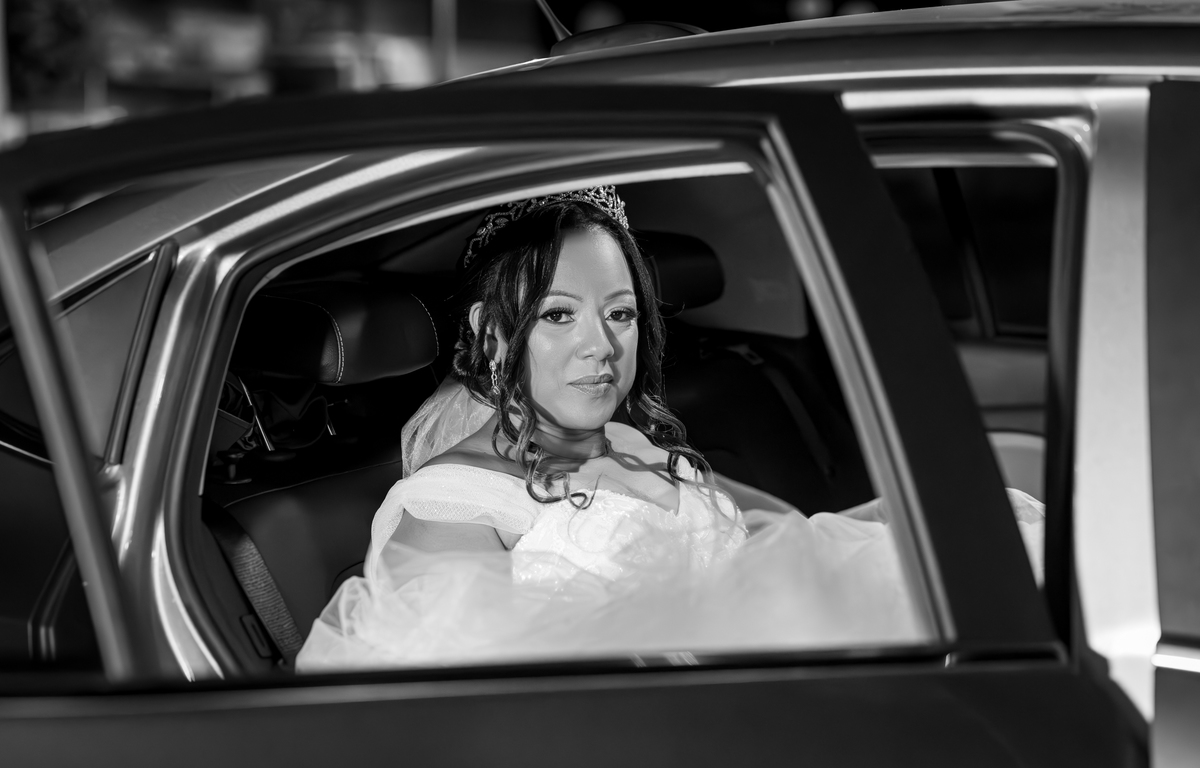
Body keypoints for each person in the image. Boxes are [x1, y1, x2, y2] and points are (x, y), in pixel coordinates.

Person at [295, 186, 1044, 672]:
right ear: (493, 333)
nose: (600, 346)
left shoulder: (631, 443)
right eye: (558, 315)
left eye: (619, 313)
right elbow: (488, 730)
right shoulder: (448, 513)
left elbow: (764, 551)